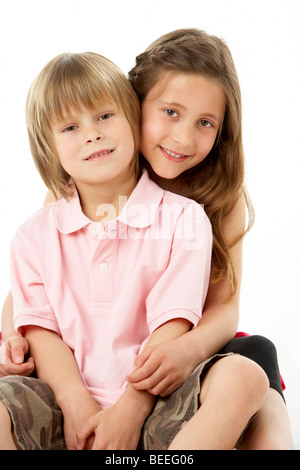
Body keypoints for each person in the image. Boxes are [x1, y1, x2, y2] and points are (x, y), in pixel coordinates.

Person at [0, 51, 268, 451]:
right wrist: (74, 401)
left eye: (105, 116)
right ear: (48, 147)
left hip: (157, 395)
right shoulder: (34, 233)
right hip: (61, 396)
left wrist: (130, 408)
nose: (91, 134)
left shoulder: (185, 218)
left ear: (132, 118)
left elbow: (174, 322)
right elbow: (40, 326)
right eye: (71, 126)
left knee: (248, 375)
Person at [124, 28, 294, 449]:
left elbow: (223, 310)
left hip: (188, 348)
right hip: (103, 344)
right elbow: (36, 279)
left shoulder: (222, 197)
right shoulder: (92, 178)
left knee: (256, 354)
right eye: (170, 112)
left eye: (205, 123)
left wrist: (185, 352)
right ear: (135, 104)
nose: (183, 138)